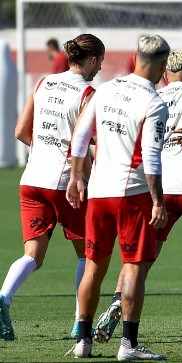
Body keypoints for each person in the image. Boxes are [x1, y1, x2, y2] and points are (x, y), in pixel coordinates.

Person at [92, 49, 182, 343]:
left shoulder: (154, 97)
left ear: (164, 75)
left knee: (141, 258)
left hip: (157, 191)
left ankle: (115, 302)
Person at [65, 34, 170, 361]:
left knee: (94, 267)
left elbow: (81, 135)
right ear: (163, 65)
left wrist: (75, 176)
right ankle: (128, 345)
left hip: (98, 194)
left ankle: (83, 341)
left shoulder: (106, 88)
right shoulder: (154, 102)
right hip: (132, 195)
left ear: (135, 57)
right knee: (135, 268)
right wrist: (158, 201)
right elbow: (151, 158)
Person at [0, 34, 104, 341]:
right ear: (93, 60)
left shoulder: (43, 82)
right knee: (87, 254)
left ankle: (3, 297)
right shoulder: (88, 94)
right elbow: (83, 146)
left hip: (32, 181)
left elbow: (21, 131)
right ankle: (78, 321)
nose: (99, 69)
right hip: (64, 183)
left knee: (33, 255)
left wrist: (47, 149)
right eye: (100, 62)